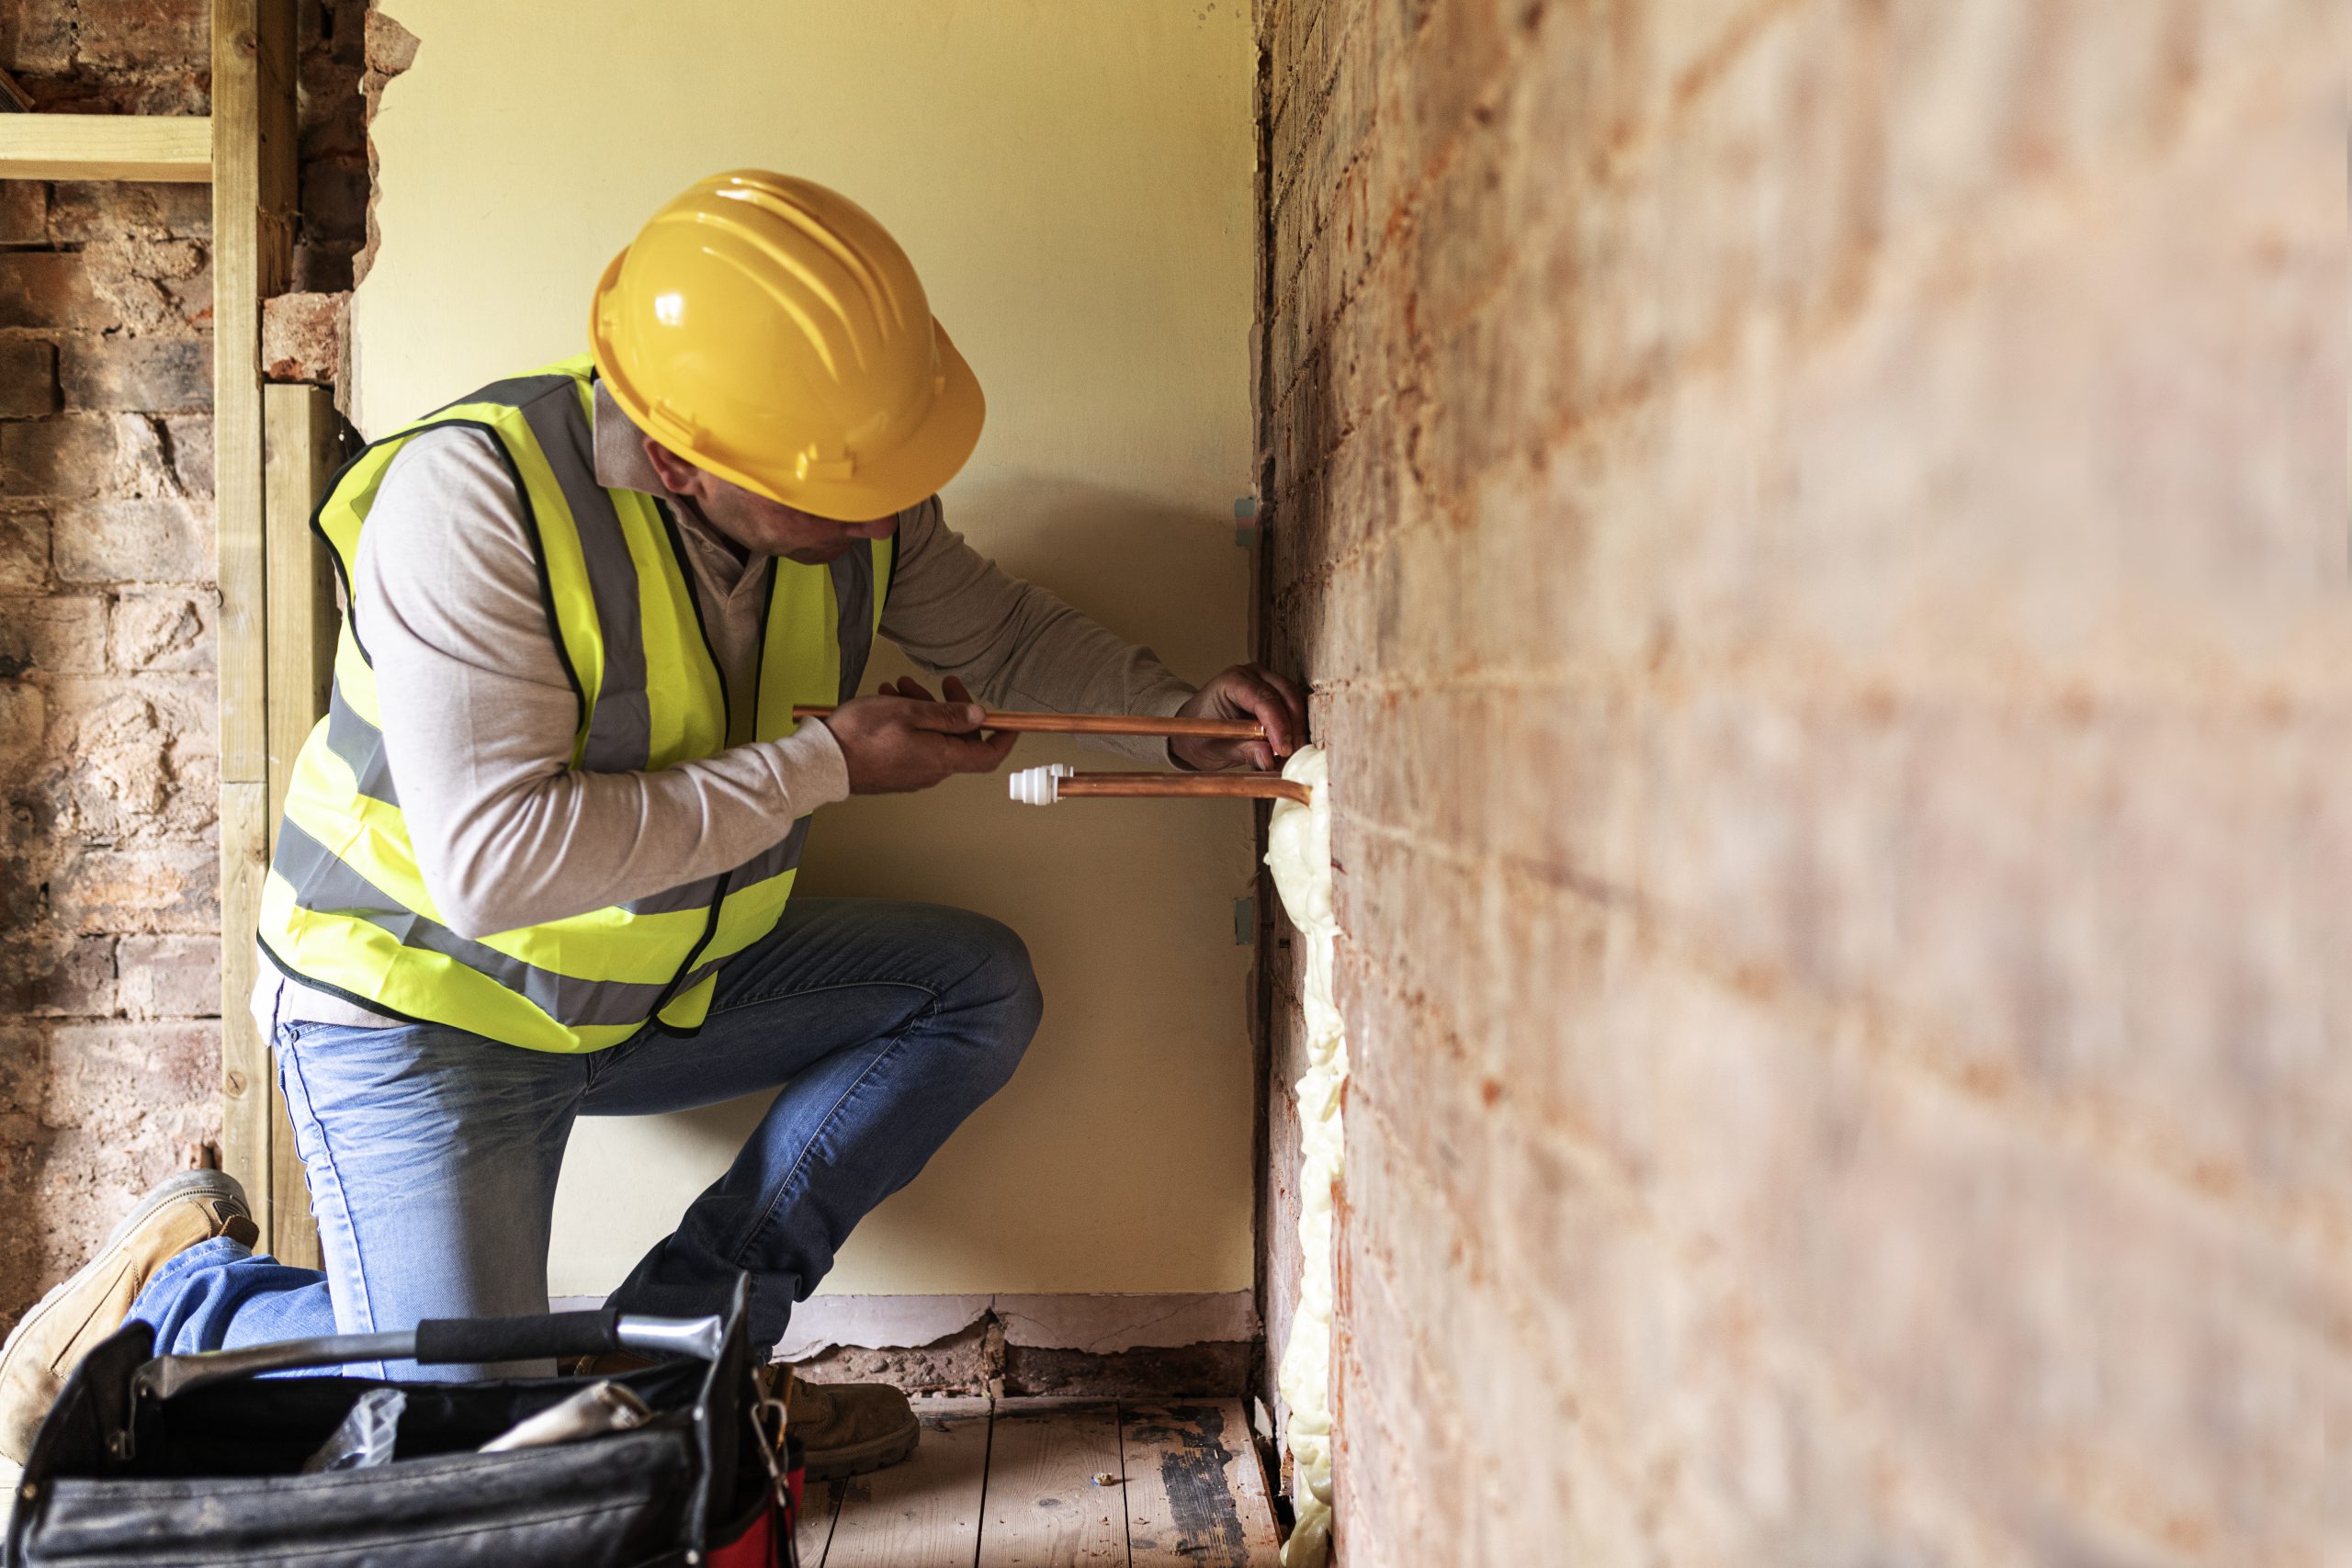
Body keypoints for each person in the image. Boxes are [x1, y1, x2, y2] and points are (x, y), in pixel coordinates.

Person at [0, 170, 1305, 1476]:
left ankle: (683, 1362)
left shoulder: (837, 474)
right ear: (679, 458)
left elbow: (1002, 631)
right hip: (424, 1012)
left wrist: (1168, 717)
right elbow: (494, 865)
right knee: (465, 1435)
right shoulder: (472, 504)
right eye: (839, 491)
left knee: (971, 992)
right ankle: (183, 1301)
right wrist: (826, 765)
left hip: (647, 984)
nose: (876, 512)